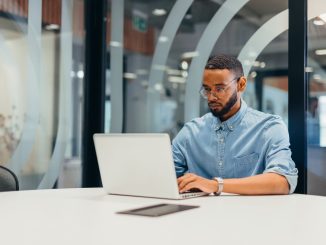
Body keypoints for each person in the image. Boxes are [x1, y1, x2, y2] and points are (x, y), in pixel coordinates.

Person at [172, 54, 298, 195]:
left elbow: (282, 182)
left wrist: (215, 185)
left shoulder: (269, 127)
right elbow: (163, 176)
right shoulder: (190, 133)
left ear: (241, 84)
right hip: (199, 214)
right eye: (207, 89)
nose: (211, 97)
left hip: (252, 214)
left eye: (219, 89)